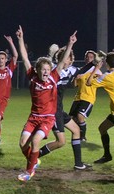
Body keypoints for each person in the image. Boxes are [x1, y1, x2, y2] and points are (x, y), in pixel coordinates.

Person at [16, 25, 77, 181]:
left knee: (36, 141)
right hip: (33, 117)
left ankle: (29, 172)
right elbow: (24, 58)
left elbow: (63, 61)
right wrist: (21, 39)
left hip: (47, 118)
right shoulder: (32, 76)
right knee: (23, 143)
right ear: (37, 70)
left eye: (47, 70)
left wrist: (70, 44)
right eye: (43, 69)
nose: (45, 72)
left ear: (51, 71)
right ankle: (34, 161)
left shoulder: (54, 77)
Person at [38, 46, 92, 171]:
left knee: (76, 130)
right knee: (60, 142)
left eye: (67, 58)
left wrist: (94, 63)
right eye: (63, 58)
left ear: (71, 60)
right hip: (52, 110)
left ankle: (78, 164)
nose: (65, 60)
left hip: (59, 109)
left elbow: (81, 70)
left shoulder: (71, 70)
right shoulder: (54, 71)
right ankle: (34, 156)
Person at [69, 50, 103, 141]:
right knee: (73, 119)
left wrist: (96, 69)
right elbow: (74, 85)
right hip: (78, 97)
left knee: (80, 116)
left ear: (94, 59)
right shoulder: (81, 70)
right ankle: (77, 136)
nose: (89, 59)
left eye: (91, 57)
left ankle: (83, 137)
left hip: (88, 97)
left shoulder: (97, 71)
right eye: (87, 57)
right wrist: (76, 78)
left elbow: (101, 80)